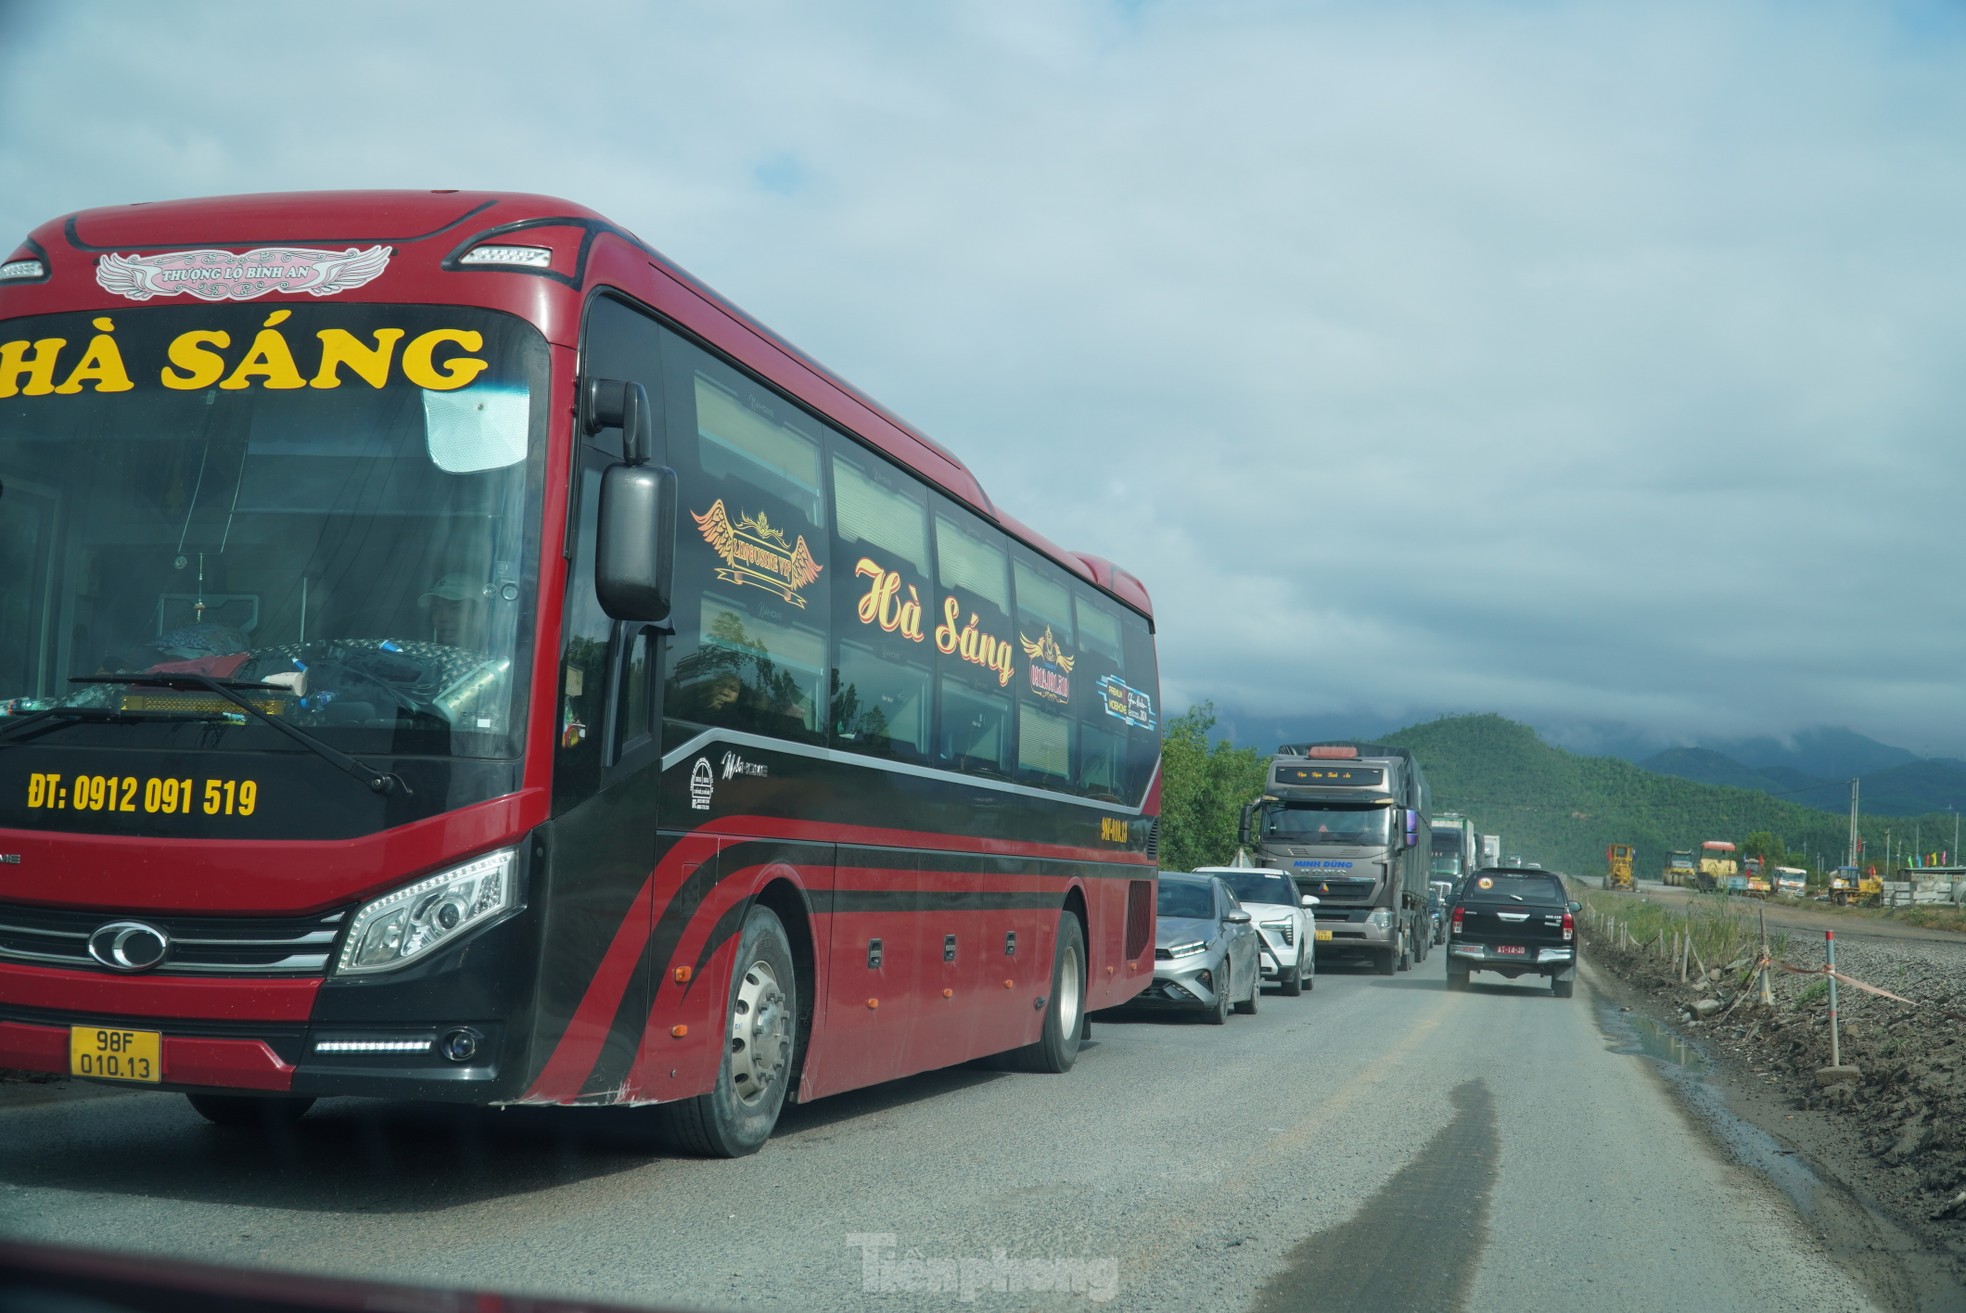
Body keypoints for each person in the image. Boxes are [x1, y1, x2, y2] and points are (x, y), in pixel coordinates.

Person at [420, 573, 488, 649]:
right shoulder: (428, 657)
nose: (443, 618)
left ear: (479, 614)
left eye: (455, 608)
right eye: (436, 609)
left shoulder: (498, 658)